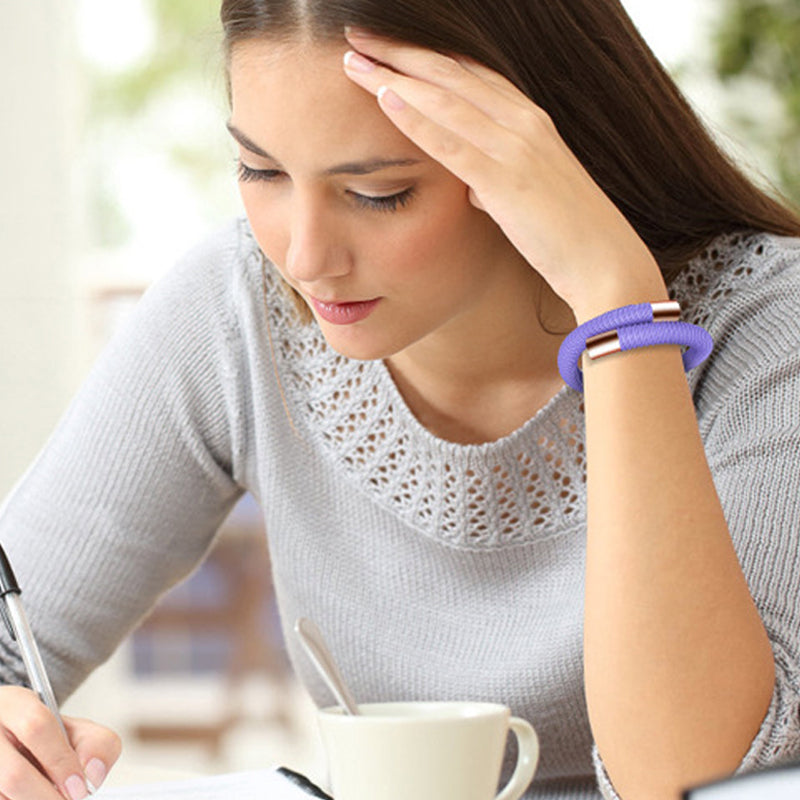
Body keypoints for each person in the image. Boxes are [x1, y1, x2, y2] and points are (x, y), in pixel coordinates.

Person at [1, 1, 799, 798]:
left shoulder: (767, 327)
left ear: (542, 154)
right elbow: (14, 641)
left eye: (379, 192)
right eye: (261, 171)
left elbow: (695, 783)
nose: (306, 258)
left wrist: (617, 305)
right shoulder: (241, 303)